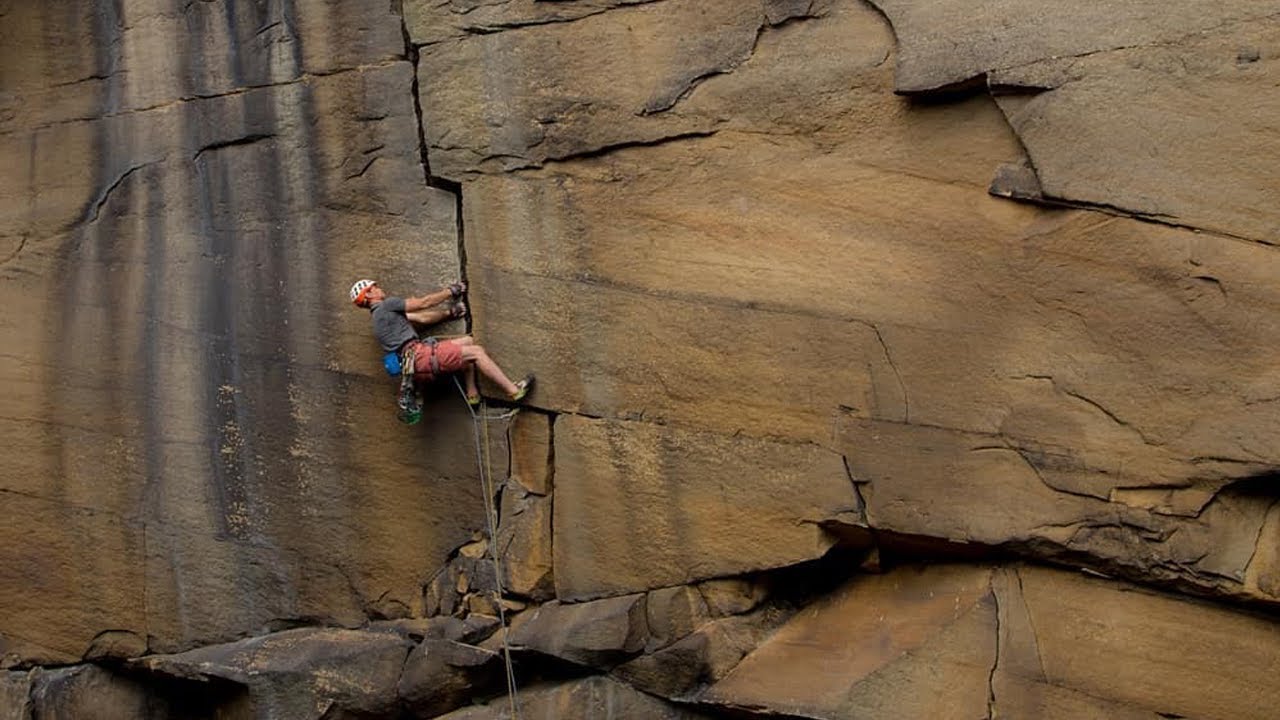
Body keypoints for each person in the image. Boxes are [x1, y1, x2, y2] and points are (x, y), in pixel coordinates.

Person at [349, 279, 533, 407]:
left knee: (467, 341)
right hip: (421, 357)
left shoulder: (379, 319)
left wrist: (449, 314)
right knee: (476, 352)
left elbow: (422, 319)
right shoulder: (387, 306)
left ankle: (472, 394)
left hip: (414, 367)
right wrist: (450, 291)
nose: (379, 288)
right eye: (375, 286)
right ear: (369, 294)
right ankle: (513, 390)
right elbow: (423, 303)